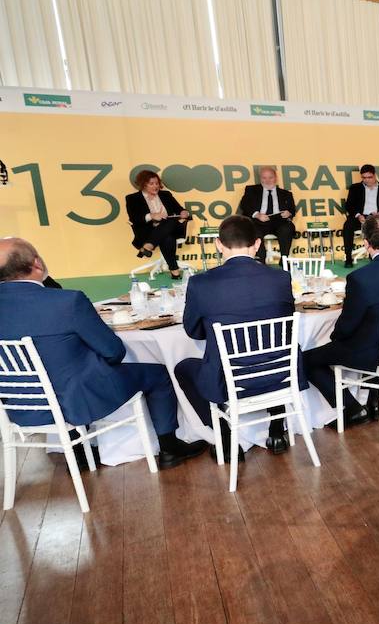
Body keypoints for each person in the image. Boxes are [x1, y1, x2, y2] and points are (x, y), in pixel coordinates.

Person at [0, 237, 204, 469]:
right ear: (37, 264)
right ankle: (170, 447)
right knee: (158, 374)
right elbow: (113, 351)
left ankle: (80, 455)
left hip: (20, 409)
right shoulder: (67, 301)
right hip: (77, 402)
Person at [174, 216, 296, 455]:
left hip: (229, 378)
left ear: (219, 245)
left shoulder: (200, 283)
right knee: (272, 347)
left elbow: (193, 332)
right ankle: (276, 429)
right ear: (258, 244)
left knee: (182, 368)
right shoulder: (281, 278)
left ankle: (226, 438)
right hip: (280, 373)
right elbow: (285, 323)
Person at [303, 216, 379, 426]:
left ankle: (351, 408)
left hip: (376, 353)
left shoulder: (361, 278)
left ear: (366, 242)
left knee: (305, 360)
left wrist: (332, 339)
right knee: (377, 329)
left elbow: (346, 328)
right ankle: (373, 402)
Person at [125, 169, 190, 279]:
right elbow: (134, 218)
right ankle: (174, 270)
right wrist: (151, 216)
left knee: (168, 222)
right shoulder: (132, 198)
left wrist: (184, 212)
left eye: (157, 183)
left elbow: (180, 210)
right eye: (151, 184)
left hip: (171, 227)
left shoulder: (166, 195)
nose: (155, 186)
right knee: (167, 238)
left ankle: (148, 246)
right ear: (143, 185)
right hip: (148, 231)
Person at [236, 166, 297, 264]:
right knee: (254, 231)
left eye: (270, 177)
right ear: (260, 178)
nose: (267, 180)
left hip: (279, 221)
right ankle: (261, 261)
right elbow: (245, 205)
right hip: (258, 221)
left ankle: (284, 260)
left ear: (276, 178)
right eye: (264, 178)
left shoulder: (286, 194)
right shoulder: (251, 190)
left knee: (287, 228)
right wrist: (257, 215)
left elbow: (292, 210)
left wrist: (289, 213)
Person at [341, 164, 379, 269]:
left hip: (376, 217)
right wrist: (358, 215)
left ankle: (376, 256)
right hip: (359, 217)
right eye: (364, 178)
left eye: (369, 177)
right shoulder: (355, 188)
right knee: (347, 225)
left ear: (374, 175)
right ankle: (348, 257)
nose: (366, 180)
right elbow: (349, 206)